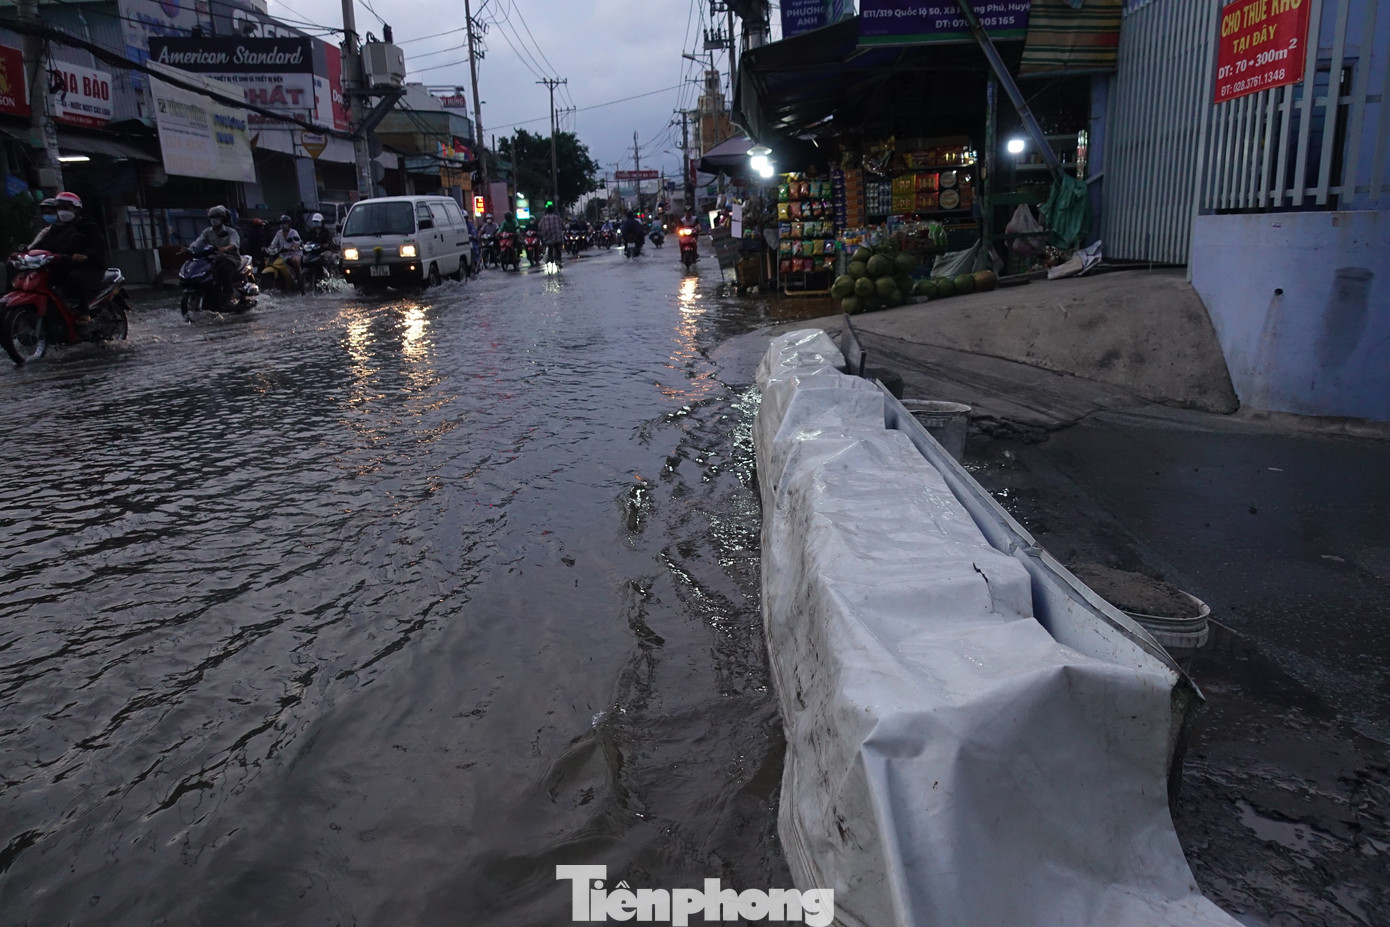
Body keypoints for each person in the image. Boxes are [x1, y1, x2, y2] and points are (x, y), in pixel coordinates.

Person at [38, 192, 108, 324]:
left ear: (76, 209)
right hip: (64, 265)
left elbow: (98, 245)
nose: (62, 212)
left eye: (66, 208)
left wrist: (86, 255)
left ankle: (84, 312)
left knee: (76, 277)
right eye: (59, 208)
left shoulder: (88, 225)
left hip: (90, 266)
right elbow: (41, 245)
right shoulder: (55, 229)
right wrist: (23, 253)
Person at [192, 205, 242, 301]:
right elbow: (199, 242)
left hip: (230, 258)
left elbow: (234, 244)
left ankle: (230, 294)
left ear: (222, 219)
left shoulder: (231, 231)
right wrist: (189, 249)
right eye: (212, 217)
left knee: (223, 269)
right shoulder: (207, 232)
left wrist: (225, 248)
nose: (214, 220)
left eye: (217, 217)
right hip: (212, 258)